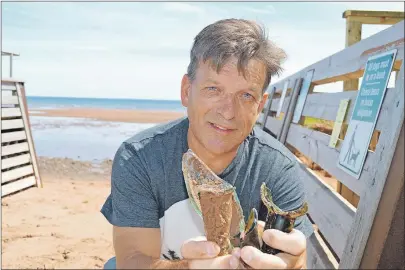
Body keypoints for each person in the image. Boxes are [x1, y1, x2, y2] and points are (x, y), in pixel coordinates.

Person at [101, 18, 314, 269]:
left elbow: (294, 254)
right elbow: (132, 260)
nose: (228, 111)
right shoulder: (140, 157)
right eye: (213, 89)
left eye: (246, 96)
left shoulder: (279, 168)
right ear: (186, 90)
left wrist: (295, 263)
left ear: (260, 105)